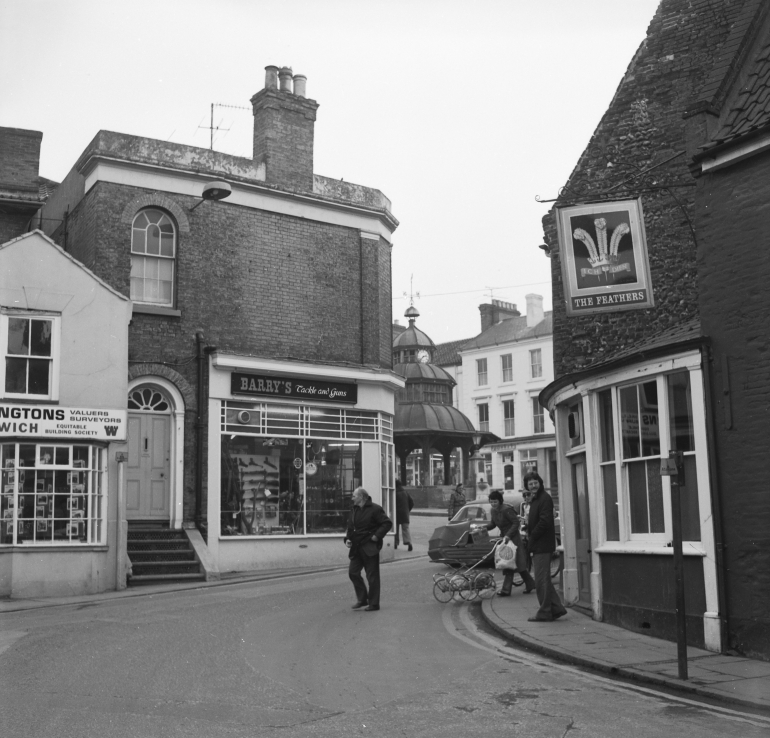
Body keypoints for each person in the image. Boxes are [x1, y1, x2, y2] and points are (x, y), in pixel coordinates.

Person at [524, 472, 568, 622]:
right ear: (527, 486)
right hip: (539, 544)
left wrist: (533, 536)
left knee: (540, 580)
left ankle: (544, 612)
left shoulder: (544, 499)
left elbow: (545, 522)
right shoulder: (536, 499)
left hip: (542, 544)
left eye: (535, 482)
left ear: (540, 483)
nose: (533, 485)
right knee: (544, 579)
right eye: (530, 484)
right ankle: (556, 609)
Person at [344, 487, 392, 611]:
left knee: (372, 576)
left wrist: (376, 536)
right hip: (356, 547)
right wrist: (347, 539)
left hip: (369, 546)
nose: (352, 498)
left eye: (354, 496)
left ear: (362, 497)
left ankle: (374, 603)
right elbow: (350, 527)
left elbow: (387, 523)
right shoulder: (354, 510)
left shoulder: (375, 509)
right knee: (353, 572)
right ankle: (362, 599)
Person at [483, 489, 535, 596]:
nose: (493, 504)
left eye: (495, 502)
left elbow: (516, 523)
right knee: (512, 563)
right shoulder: (493, 511)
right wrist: (483, 528)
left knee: (511, 563)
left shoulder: (507, 509)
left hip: (514, 538)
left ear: (500, 501)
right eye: (491, 502)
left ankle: (506, 590)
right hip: (505, 539)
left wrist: (508, 535)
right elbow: (493, 524)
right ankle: (530, 584)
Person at [394, 480, 414, 551]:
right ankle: (409, 543)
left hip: (395, 514)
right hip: (405, 514)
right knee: (405, 529)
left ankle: (395, 544)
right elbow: (411, 502)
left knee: (395, 529)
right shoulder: (405, 492)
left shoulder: (394, 493)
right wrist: (407, 510)